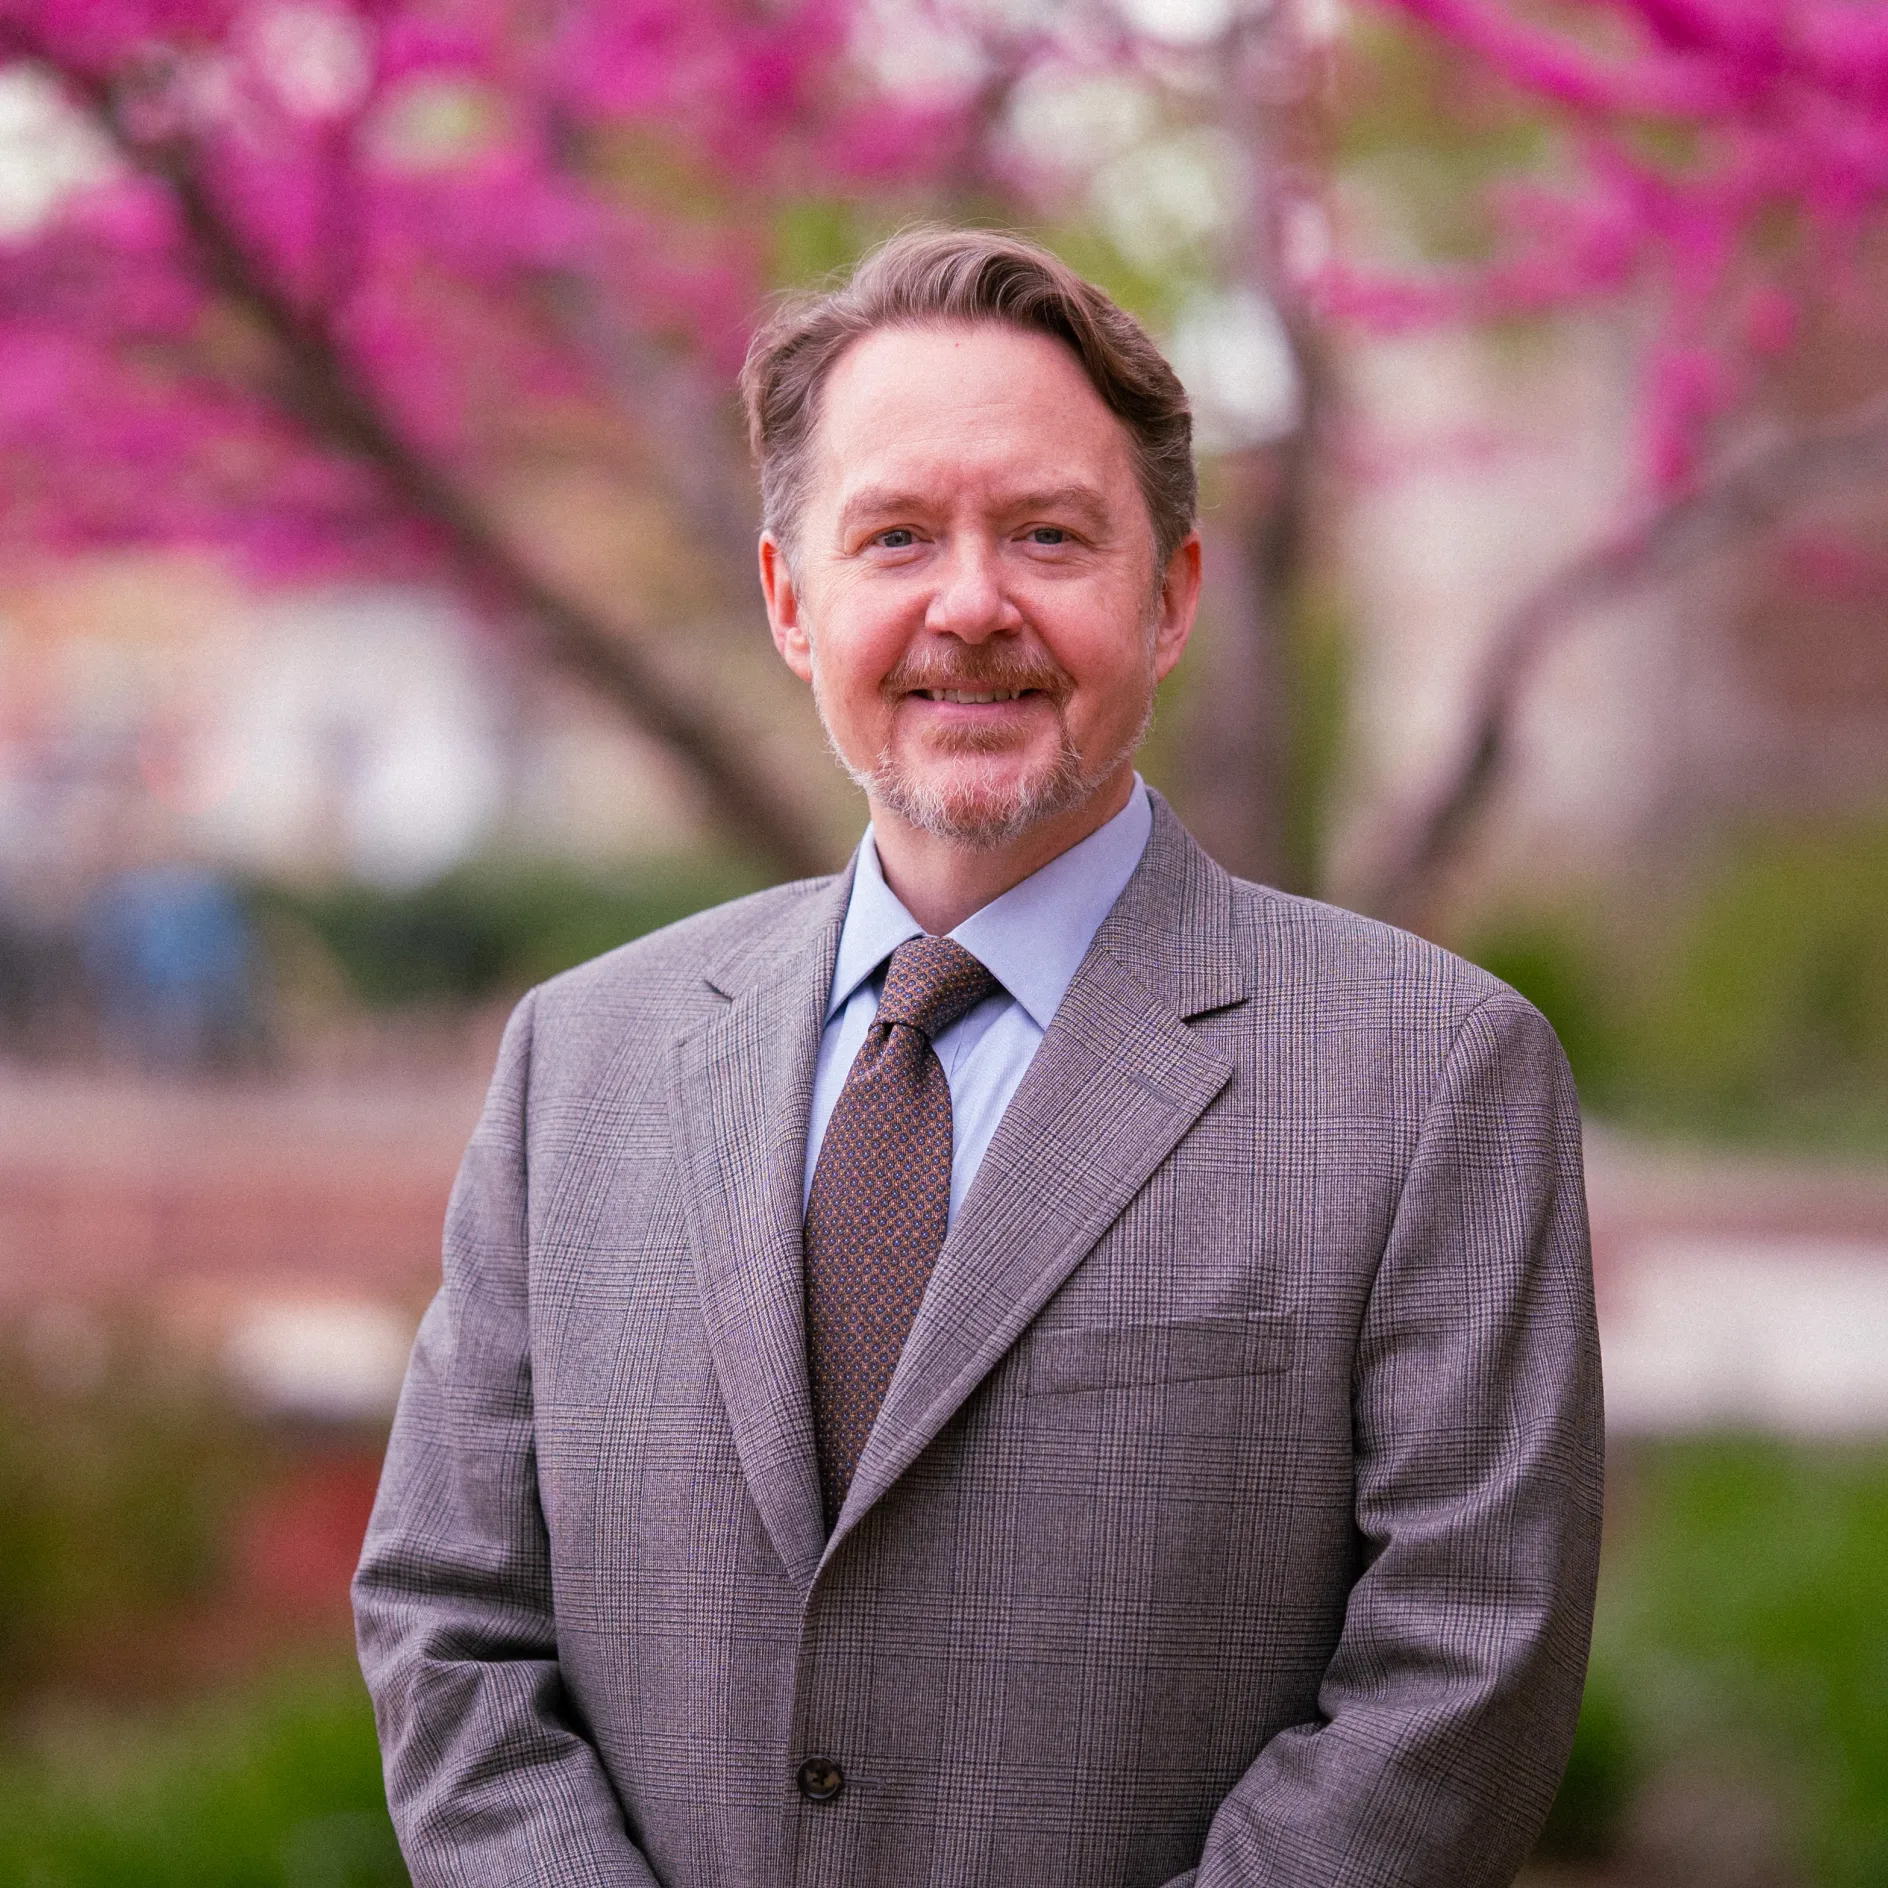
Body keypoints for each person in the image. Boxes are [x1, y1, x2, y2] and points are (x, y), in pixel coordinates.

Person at [354, 228, 1603, 1888]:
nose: (970, 603)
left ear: (1167, 598)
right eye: (894, 536)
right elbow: (449, 1620)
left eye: (1048, 535)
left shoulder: (1435, 1077)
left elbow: (1463, 1676)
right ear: (795, 604)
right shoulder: (580, 1057)